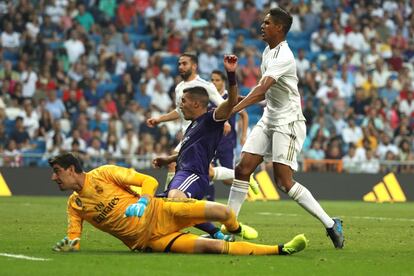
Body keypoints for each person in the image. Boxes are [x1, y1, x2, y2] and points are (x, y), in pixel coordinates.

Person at [225, 8, 344, 249]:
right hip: (270, 117)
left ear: (279, 28)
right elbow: (262, 92)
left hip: (287, 121)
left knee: (284, 182)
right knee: (243, 168)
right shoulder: (268, 52)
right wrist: (238, 103)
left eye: (267, 23)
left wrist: (234, 109)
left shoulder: (285, 56)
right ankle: (227, 227)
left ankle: (331, 224)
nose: (262, 26)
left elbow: (261, 89)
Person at [49, 152, 308, 255]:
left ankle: (234, 229)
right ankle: (281, 249)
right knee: (213, 247)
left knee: (224, 211)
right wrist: (69, 245)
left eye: (57, 171)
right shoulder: (75, 205)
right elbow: (74, 238)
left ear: (72, 169)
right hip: (151, 242)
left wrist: (143, 200)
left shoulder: (103, 174)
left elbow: (148, 181)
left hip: (163, 211)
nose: (54, 177)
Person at [152, 55, 257, 240]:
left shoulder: (210, 119)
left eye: (183, 101)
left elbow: (231, 101)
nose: (180, 106)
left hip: (193, 174)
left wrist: (231, 75)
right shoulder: (192, 126)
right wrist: (167, 160)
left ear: (196, 103)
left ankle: (228, 222)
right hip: (183, 173)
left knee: (175, 201)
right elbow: (185, 151)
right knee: (158, 207)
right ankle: (217, 233)